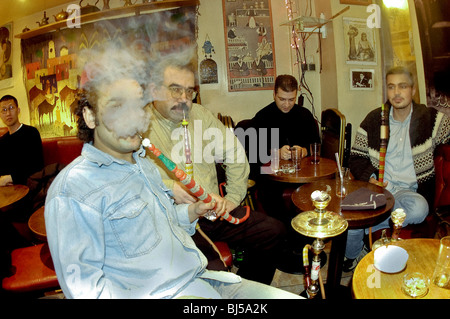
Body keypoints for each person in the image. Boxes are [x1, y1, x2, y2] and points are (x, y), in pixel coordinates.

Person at [44, 47, 300, 299]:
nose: (133, 119)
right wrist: (176, 194)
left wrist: (196, 210)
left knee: (274, 232)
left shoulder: (140, 164)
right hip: (179, 283)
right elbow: (87, 290)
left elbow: (163, 220)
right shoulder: (73, 189)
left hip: (199, 266)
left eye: (137, 106)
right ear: (90, 116)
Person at [144, 49, 287, 286]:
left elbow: (235, 153)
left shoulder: (199, 114)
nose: (184, 98)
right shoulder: (139, 125)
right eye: (175, 89)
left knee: (275, 232)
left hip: (213, 210)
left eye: (190, 91)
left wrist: (233, 197)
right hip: (173, 224)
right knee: (213, 276)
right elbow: (130, 178)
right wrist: (170, 187)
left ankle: (244, 291)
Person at [344, 66, 450, 271]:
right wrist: (371, 176)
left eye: (403, 86)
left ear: (412, 89)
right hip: (378, 189)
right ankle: (351, 257)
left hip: (409, 193)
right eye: (391, 87)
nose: (397, 92)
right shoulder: (374, 119)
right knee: (350, 216)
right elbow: (355, 157)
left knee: (420, 209)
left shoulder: (431, 119)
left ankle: (376, 221)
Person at [250, 75, 320, 221]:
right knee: (269, 193)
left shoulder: (305, 115)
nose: (287, 104)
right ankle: (283, 232)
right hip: (271, 175)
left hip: (302, 172)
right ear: (274, 94)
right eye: (282, 99)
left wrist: (304, 151)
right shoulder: (263, 117)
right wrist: (274, 152)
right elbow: (252, 152)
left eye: (291, 99)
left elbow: (316, 144)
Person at [0, 95, 44, 186]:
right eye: (4, 110)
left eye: (11, 108)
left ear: (18, 110)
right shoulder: (2, 141)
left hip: (28, 187)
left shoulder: (31, 133)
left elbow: (37, 165)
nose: (8, 113)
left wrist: (12, 177)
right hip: (7, 190)